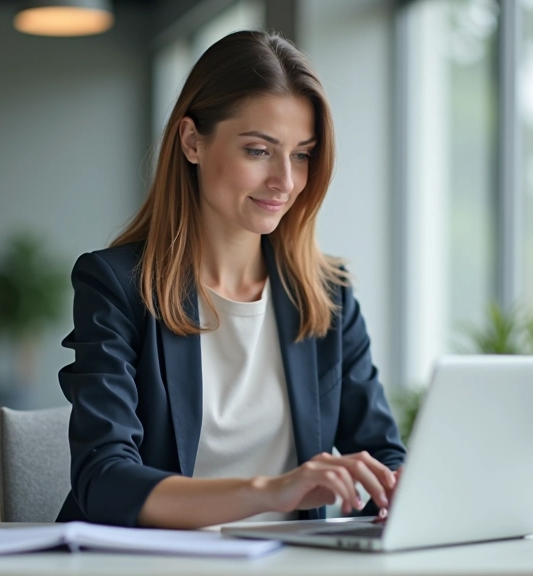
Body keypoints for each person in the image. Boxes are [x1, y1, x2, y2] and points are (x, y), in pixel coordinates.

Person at [56, 30, 405, 530]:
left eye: (302, 154)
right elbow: (104, 479)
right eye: (259, 151)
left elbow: (380, 454)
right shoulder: (118, 285)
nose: (285, 181)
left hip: (292, 565)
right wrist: (271, 491)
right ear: (192, 141)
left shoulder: (327, 293)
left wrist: (404, 487)